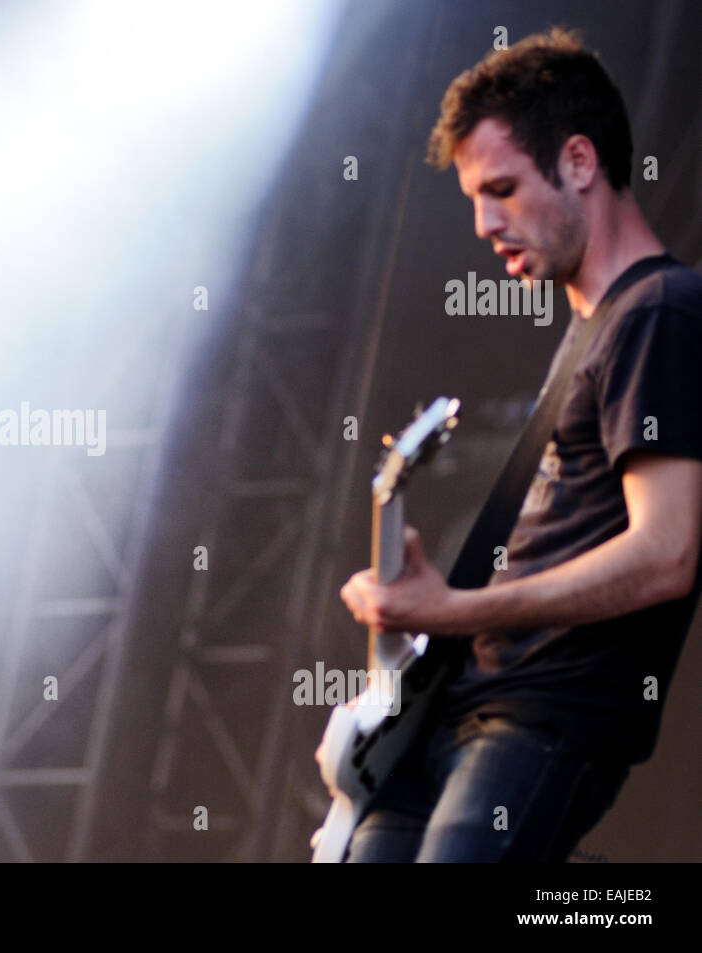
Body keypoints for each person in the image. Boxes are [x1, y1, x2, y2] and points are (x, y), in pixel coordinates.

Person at [336, 28, 702, 862]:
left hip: (539, 715)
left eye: (500, 187)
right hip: (458, 706)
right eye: (473, 196)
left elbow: (667, 551)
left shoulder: (661, 313)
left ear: (578, 162)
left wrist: (456, 608)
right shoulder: (591, 328)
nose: (483, 222)